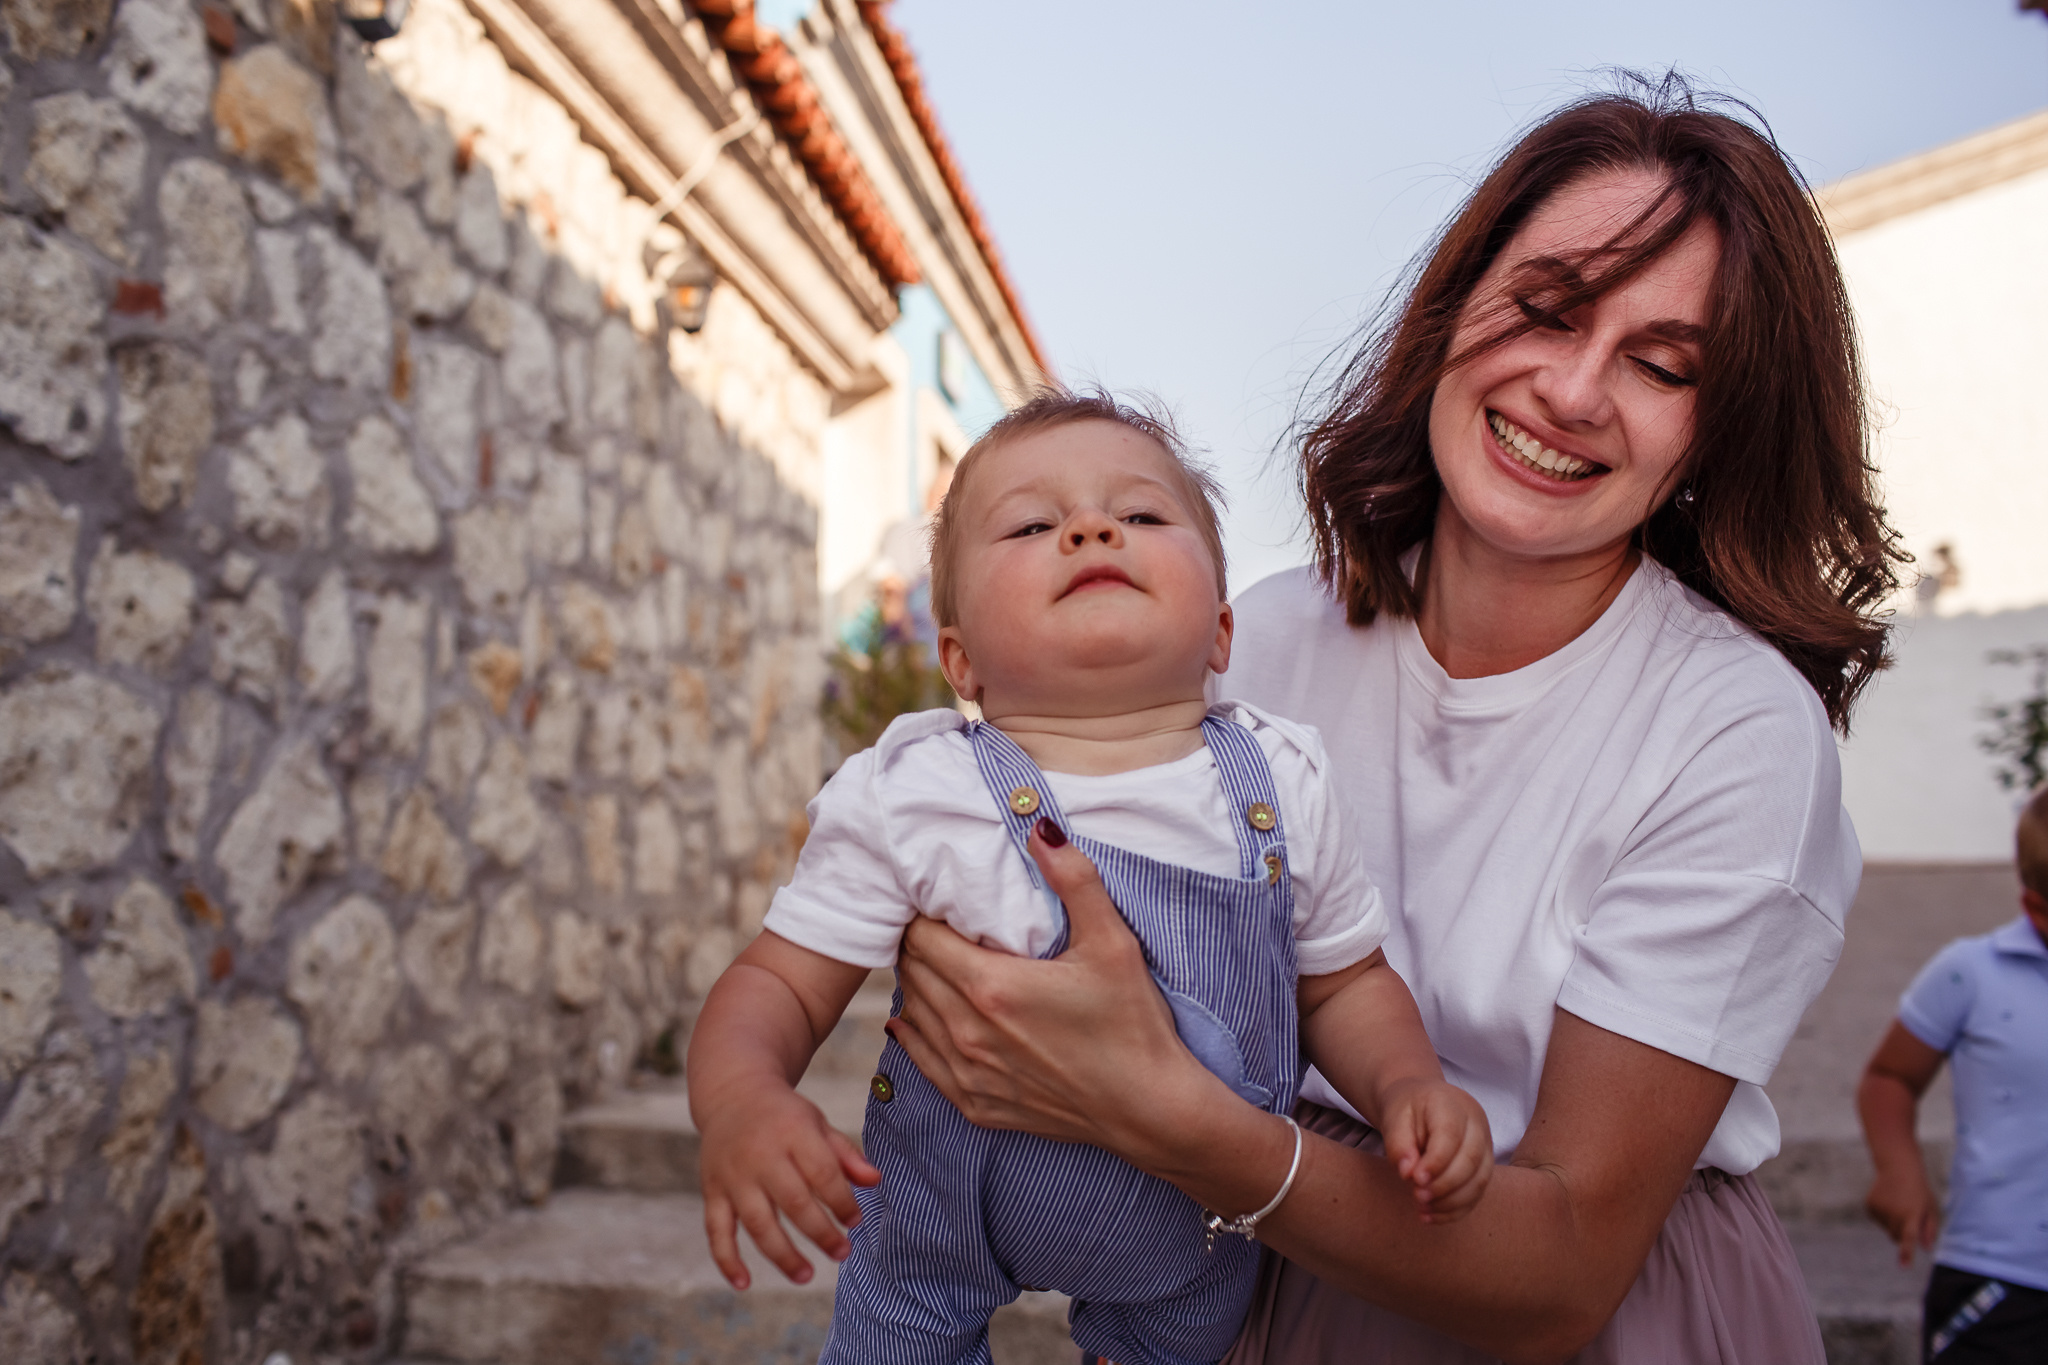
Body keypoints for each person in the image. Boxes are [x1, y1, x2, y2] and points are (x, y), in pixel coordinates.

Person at [879, 77, 1906, 1365]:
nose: (1573, 390)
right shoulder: (1264, 634)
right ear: (1454, 309)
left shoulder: (1733, 731)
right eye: (1542, 309)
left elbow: (1563, 1270)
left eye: (1658, 366)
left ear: (1713, 432)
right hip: (1253, 1279)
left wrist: (1154, 1111)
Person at [685, 391, 1494, 1365]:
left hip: (1193, 1232)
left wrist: (1407, 1084)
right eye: (1032, 524)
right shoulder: (917, 791)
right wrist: (741, 1097)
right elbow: (776, 980)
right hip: (944, 1227)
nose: (1092, 528)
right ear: (961, 660)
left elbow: (1344, 984)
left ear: (1222, 635)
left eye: (1143, 516)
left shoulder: (1282, 778)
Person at [1856, 785, 2048, 1363]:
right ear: (2033, 903)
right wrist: (1899, 1171)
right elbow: (1890, 1077)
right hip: (2001, 1274)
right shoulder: (1972, 973)